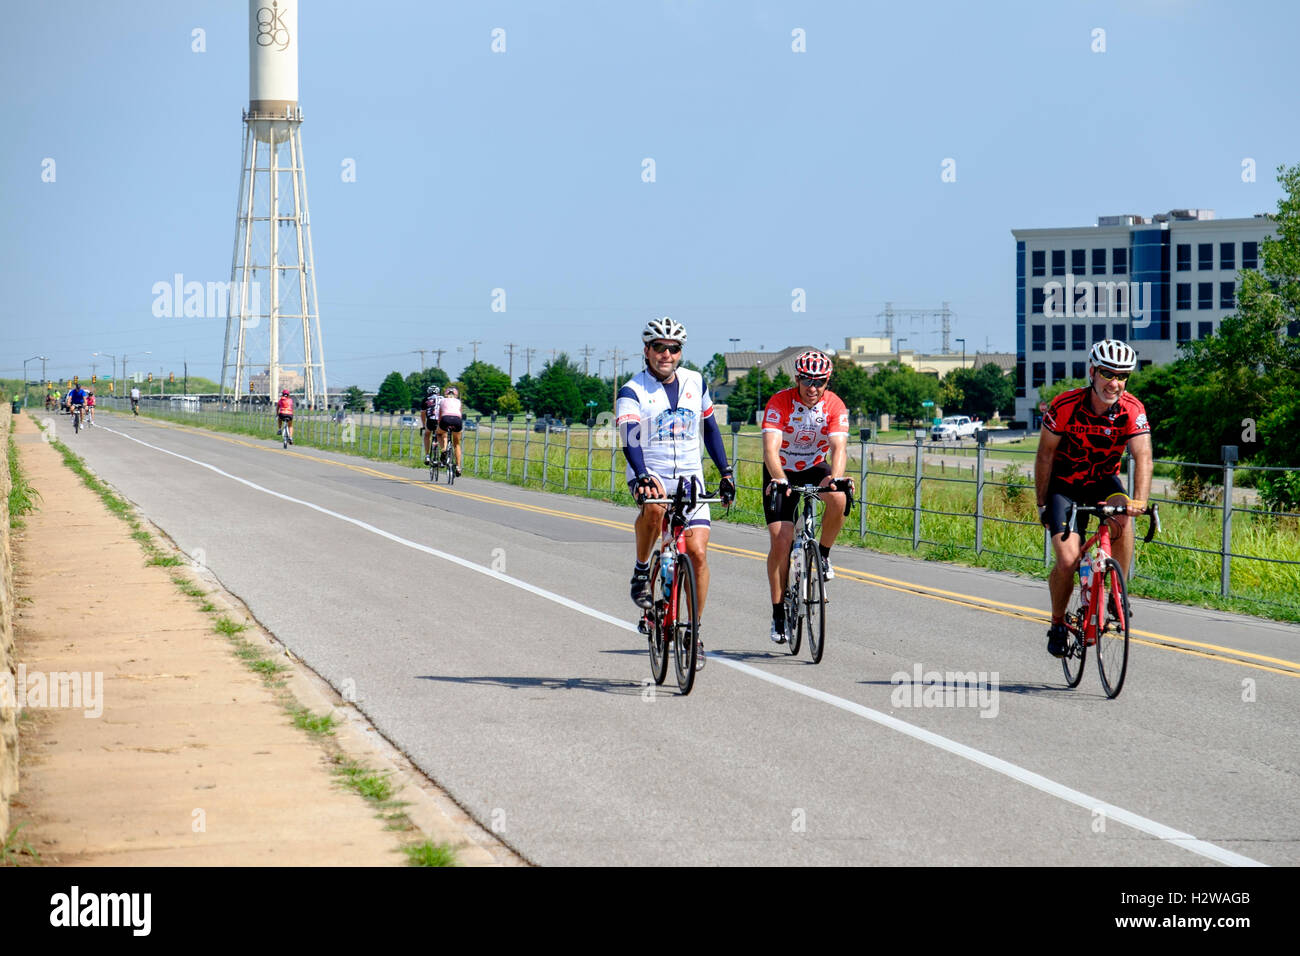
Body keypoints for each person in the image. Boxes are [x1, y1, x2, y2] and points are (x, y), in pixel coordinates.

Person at [618, 317, 735, 671]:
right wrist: (641, 475)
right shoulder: (632, 390)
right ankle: (641, 572)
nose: (666, 354)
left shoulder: (695, 381)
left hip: (689, 477)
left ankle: (692, 631)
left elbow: (710, 429)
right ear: (646, 351)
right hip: (649, 471)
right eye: (659, 348)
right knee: (654, 509)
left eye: (674, 348)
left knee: (697, 553)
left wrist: (726, 472)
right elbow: (629, 436)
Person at [1034, 339, 1153, 658]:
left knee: (1124, 517)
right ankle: (1058, 623)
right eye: (1107, 373)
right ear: (1092, 372)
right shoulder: (1066, 405)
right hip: (1065, 486)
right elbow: (1045, 455)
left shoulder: (1132, 409)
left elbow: (1143, 456)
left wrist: (1139, 500)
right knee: (1068, 561)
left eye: (1123, 375)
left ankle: (1118, 592)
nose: (1115, 382)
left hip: (1103, 482)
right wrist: (1043, 504)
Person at [760, 350, 852, 644]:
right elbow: (770, 450)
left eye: (820, 382)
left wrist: (836, 480)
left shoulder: (834, 404)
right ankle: (777, 613)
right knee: (782, 540)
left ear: (827, 381)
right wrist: (780, 480)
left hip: (814, 466)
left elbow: (838, 448)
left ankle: (822, 555)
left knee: (838, 498)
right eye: (807, 381)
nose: (813, 388)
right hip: (781, 469)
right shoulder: (779, 402)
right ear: (796, 378)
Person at [437, 386, 465, 476]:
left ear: (446, 394)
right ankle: (458, 467)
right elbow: (460, 415)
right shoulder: (459, 402)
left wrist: (439, 424)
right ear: (456, 395)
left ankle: (444, 449)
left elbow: (440, 415)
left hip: (445, 420)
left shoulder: (442, 401)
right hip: (457, 421)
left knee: (439, 434)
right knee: (456, 444)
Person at [420, 385, 442, 465]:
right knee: (442, 435)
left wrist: (423, 425)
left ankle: (427, 455)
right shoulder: (442, 399)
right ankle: (444, 452)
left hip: (430, 421)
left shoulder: (426, 400)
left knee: (427, 435)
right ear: (438, 392)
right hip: (440, 421)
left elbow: (423, 414)